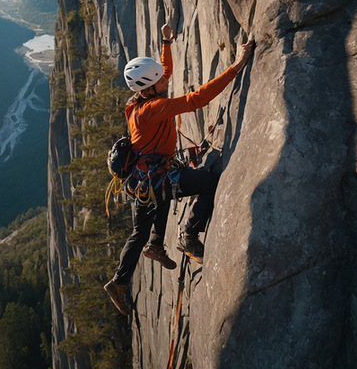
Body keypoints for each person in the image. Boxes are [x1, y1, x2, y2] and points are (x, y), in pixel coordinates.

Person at [104, 22, 254, 315]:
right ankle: (187, 235)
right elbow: (196, 99)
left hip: (145, 181)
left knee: (141, 229)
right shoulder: (153, 109)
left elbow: (165, 71)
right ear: (149, 87)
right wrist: (237, 65)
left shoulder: (140, 102)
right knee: (209, 183)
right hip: (156, 179)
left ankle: (144, 257)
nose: (166, 80)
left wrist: (166, 42)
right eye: (160, 81)